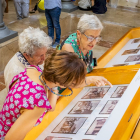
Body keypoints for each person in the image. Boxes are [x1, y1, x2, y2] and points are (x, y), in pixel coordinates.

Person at [0, 49, 88, 140]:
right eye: (71, 85)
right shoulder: (39, 102)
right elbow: (11, 138)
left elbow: (51, 106)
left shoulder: (33, 70)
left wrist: (56, 84)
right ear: (63, 84)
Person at [58, 14, 111, 93]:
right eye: (90, 37)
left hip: (81, 86)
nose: (93, 42)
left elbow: (92, 63)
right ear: (79, 34)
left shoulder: (86, 44)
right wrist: (92, 79)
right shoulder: (69, 48)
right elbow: (71, 82)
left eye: (96, 38)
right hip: (65, 91)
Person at [4, 27, 52, 92]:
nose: (44, 58)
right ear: (27, 55)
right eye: (40, 56)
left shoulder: (32, 58)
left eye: (45, 54)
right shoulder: (16, 73)